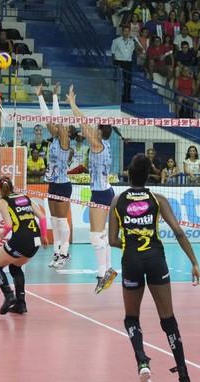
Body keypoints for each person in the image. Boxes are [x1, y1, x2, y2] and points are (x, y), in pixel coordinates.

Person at [108, 153, 200, 382]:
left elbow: (112, 240)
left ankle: (142, 361)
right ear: (148, 175)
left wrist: (132, 242)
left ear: (129, 174)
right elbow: (178, 232)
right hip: (155, 259)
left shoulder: (117, 200)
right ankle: (183, 373)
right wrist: (194, 262)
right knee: (168, 319)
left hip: (131, 260)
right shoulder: (157, 198)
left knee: (131, 317)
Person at [68, 85, 118, 293]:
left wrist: (72, 104)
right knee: (101, 235)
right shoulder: (105, 145)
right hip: (105, 190)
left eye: (95, 128)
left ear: (99, 132)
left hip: (101, 192)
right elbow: (86, 126)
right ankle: (107, 269)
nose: (92, 129)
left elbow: (83, 123)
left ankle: (102, 273)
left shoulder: (98, 145)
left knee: (95, 236)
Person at [0, 177, 48, 315]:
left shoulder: (3, 201)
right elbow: (42, 217)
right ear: (12, 186)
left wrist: (1, 233)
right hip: (36, 240)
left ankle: (9, 296)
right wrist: (44, 236)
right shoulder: (25, 197)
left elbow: (8, 225)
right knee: (15, 266)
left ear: (0, 188)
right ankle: (21, 304)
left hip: (21, 240)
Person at [38, 83, 73, 269]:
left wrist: (55, 97)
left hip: (64, 185)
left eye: (64, 127)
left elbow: (57, 119)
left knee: (61, 221)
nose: (61, 127)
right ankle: (56, 253)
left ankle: (64, 253)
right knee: (54, 221)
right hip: (52, 184)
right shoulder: (54, 139)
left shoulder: (65, 142)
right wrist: (42, 97)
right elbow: (48, 119)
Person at [111, 26, 137, 103]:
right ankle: (115, 98)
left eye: (128, 31)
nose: (126, 33)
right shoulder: (116, 41)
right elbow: (113, 52)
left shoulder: (132, 42)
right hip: (119, 62)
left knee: (128, 81)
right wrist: (115, 62)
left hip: (128, 62)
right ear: (122, 32)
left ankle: (127, 99)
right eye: (125, 31)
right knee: (116, 81)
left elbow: (132, 52)